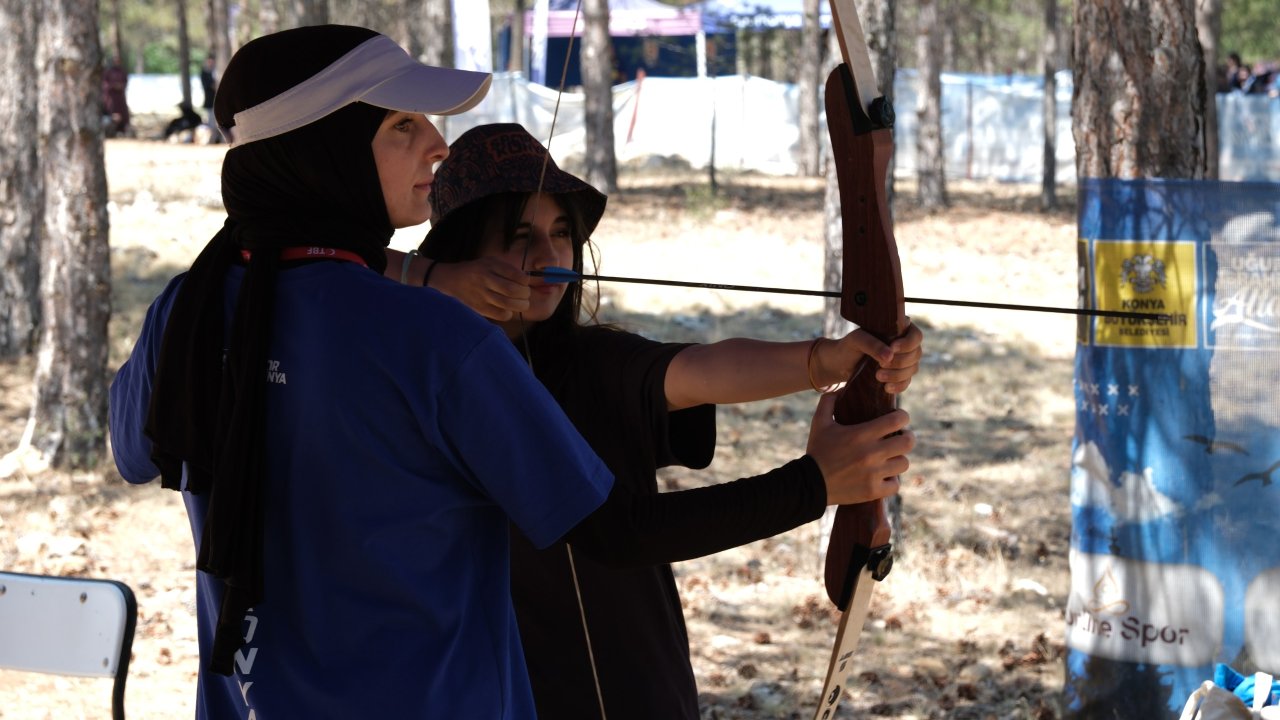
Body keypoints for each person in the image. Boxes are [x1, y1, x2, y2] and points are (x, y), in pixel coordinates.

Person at [108, 26, 616, 719]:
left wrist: (431, 275)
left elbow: (134, 456)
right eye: (402, 126)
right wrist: (808, 484)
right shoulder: (438, 339)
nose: (439, 144)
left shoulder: (188, 310)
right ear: (324, 150)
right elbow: (607, 527)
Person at [400, 122, 921, 719]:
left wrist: (828, 359)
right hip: (503, 693)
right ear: (463, 253)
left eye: (562, 232)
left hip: (640, 685)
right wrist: (815, 482)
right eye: (519, 236)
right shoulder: (425, 380)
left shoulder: (590, 361)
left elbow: (703, 370)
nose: (550, 257)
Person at [102, 56, 130, 137]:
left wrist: (120, 86)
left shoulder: (122, 72)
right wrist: (113, 86)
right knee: (111, 114)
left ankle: (122, 130)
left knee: (123, 114)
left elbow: (125, 82)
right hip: (111, 99)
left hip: (120, 98)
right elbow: (105, 84)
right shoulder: (108, 72)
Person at [200, 55, 218, 130]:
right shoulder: (205, 73)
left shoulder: (215, 72)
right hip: (210, 100)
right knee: (211, 120)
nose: (211, 63)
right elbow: (209, 85)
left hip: (217, 100)